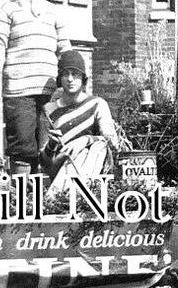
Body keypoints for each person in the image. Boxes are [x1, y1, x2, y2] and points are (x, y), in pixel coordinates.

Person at [0, 0, 72, 174]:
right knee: (23, 146)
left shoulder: (54, 11)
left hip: (49, 89)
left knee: (48, 144)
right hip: (18, 89)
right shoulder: (8, 8)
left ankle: (44, 201)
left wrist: (72, 69)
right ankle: (22, 201)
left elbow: (64, 47)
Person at [41, 50, 120, 193]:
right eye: (65, 74)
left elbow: (113, 143)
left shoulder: (97, 104)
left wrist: (86, 139)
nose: (70, 79)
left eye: (75, 74)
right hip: (60, 171)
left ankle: (77, 193)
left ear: (83, 78)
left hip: (92, 171)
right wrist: (51, 146)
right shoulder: (49, 110)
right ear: (60, 79)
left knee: (98, 145)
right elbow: (44, 164)